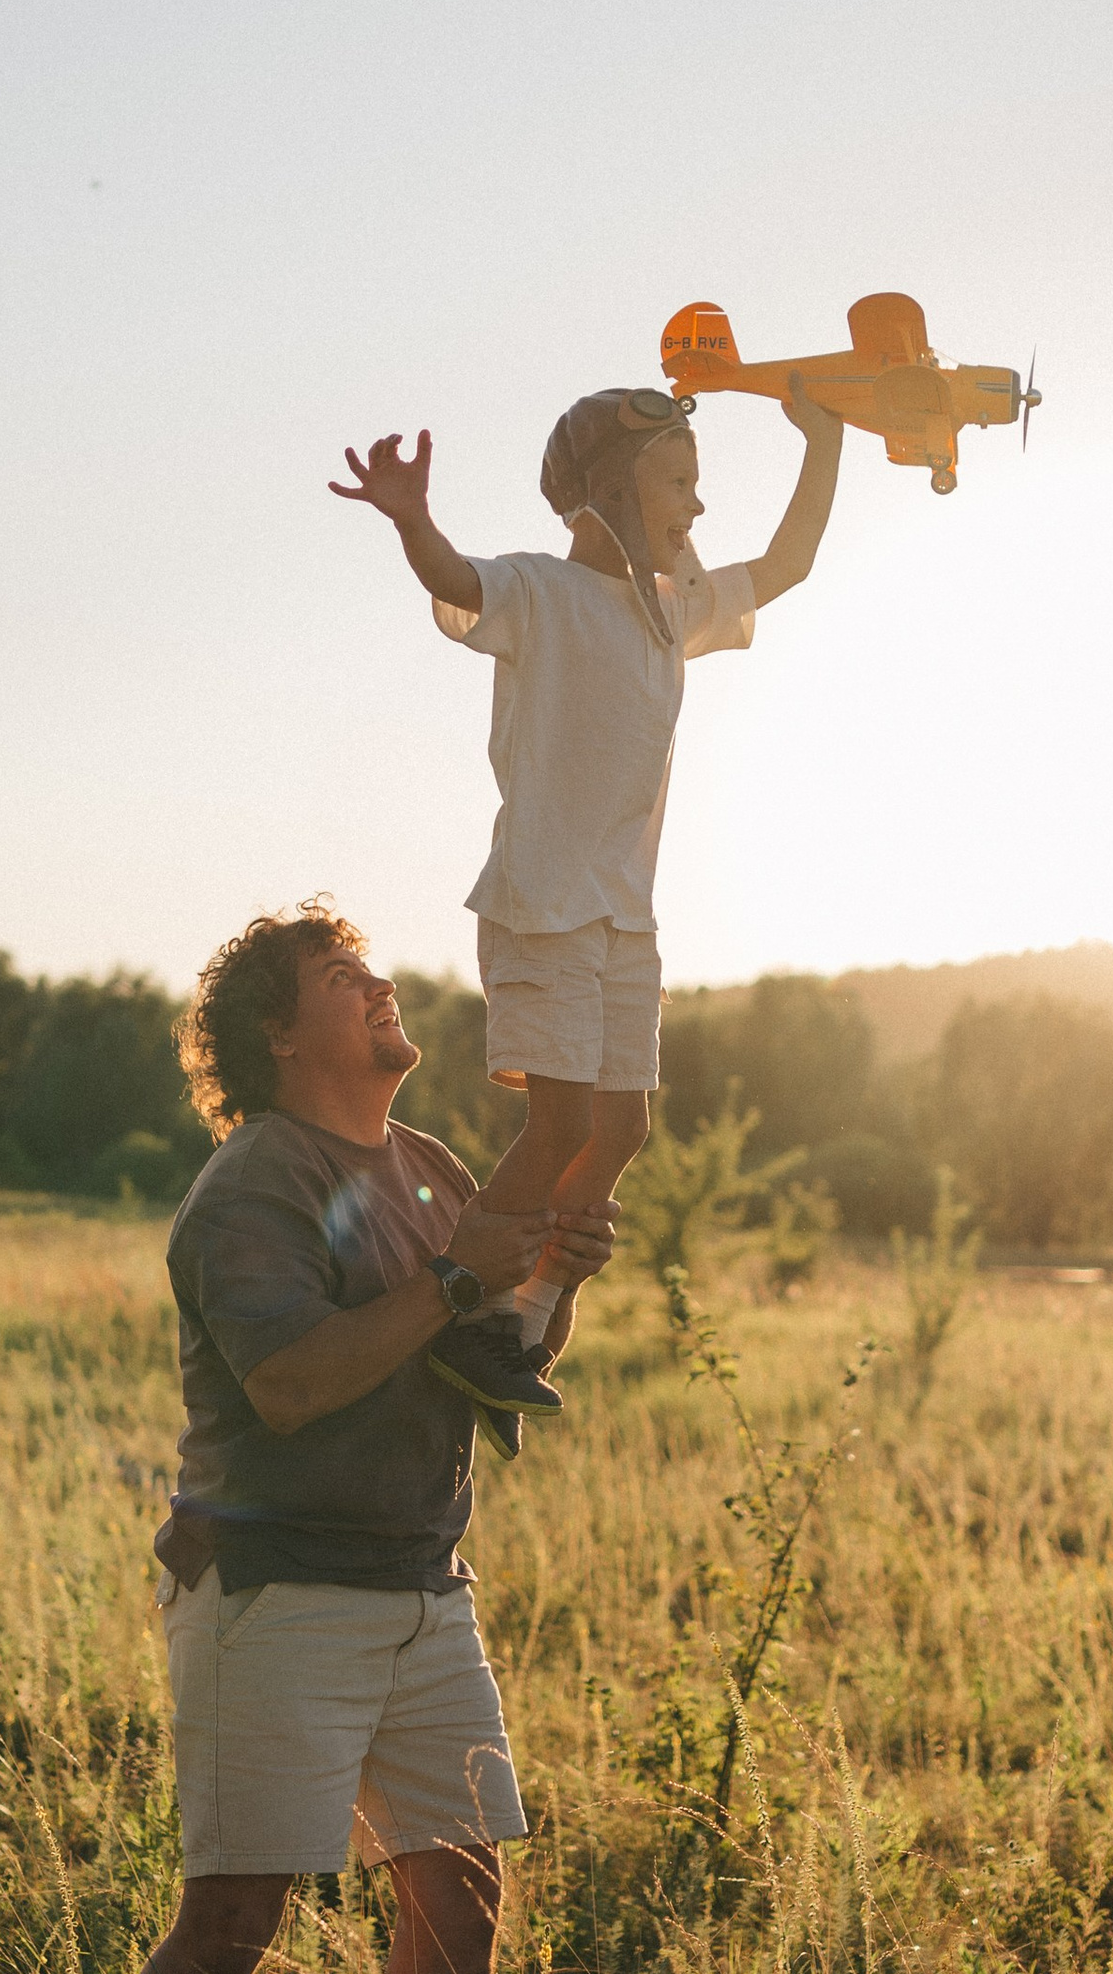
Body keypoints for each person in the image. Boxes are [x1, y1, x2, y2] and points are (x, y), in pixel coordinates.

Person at [114, 902, 615, 1974]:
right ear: (278, 1033)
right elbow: (288, 1382)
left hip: (424, 1589)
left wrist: (552, 1279)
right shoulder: (253, 1186)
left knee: (461, 1900)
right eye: (341, 975)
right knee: (233, 1923)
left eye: (368, 964)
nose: (378, 982)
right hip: (273, 1594)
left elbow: (493, 1360)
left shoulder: (431, 1165)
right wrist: (451, 1279)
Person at [331, 371, 844, 1432]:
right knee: (561, 1118)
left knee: (620, 1128)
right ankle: (458, 1303)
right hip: (543, 901)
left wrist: (823, 440)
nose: (698, 504)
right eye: (679, 481)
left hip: (624, 917)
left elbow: (790, 562)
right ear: (609, 490)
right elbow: (455, 578)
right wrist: (412, 518)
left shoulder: (670, 612)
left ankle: (521, 1323)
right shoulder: (540, 593)